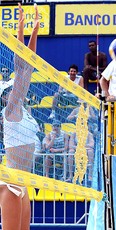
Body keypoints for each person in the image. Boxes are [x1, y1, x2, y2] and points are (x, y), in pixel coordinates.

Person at [0, 3, 39, 229]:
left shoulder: (21, 110)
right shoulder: (10, 111)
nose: (15, 90)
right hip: (12, 182)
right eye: (10, 90)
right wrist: (22, 29)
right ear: (6, 97)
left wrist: (32, 30)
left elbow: (29, 65)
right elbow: (21, 67)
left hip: (22, 182)